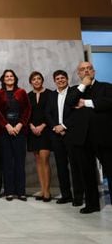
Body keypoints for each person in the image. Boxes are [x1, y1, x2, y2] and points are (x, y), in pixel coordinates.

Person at [65, 61, 112, 214]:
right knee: (87, 172)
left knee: (110, 170)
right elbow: (69, 103)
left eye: (89, 69)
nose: (86, 71)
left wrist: (86, 102)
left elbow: (108, 102)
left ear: (94, 71)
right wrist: (82, 86)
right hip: (82, 138)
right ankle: (92, 204)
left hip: (103, 136)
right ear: (78, 73)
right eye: (82, 70)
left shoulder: (106, 86)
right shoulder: (74, 90)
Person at [45, 70, 83, 206]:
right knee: (61, 167)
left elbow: (77, 112)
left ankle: (78, 196)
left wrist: (64, 126)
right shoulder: (51, 95)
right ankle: (66, 195)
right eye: (57, 78)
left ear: (67, 79)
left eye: (62, 78)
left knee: (75, 166)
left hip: (71, 134)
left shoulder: (74, 92)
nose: (60, 80)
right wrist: (55, 127)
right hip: (56, 135)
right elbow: (48, 113)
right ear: (54, 81)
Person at [0, 69, 31, 201]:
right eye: (6, 76)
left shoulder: (22, 92)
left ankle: (21, 191)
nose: (9, 78)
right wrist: (7, 126)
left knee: (20, 162)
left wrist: (20, 124)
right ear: (3, 79)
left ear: (15, 78)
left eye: (11, 76)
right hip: (4, 132)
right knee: (7, 162)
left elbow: (27, 109)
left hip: (19, 132)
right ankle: (9, 191)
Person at [27, 71, 52, 202]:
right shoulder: (28, 96)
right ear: (30, 82)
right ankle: (42, 189)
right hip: (32, 131)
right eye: (34, 79)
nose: (36, 81)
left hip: (45, 130)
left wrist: (43, 126)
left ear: (42, 80)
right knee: (37, 161)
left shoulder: (50, 94)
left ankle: (47, 192)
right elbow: (26, 113)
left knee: (44, 159)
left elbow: (52, 112)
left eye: (38, 79)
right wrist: (31, 126)